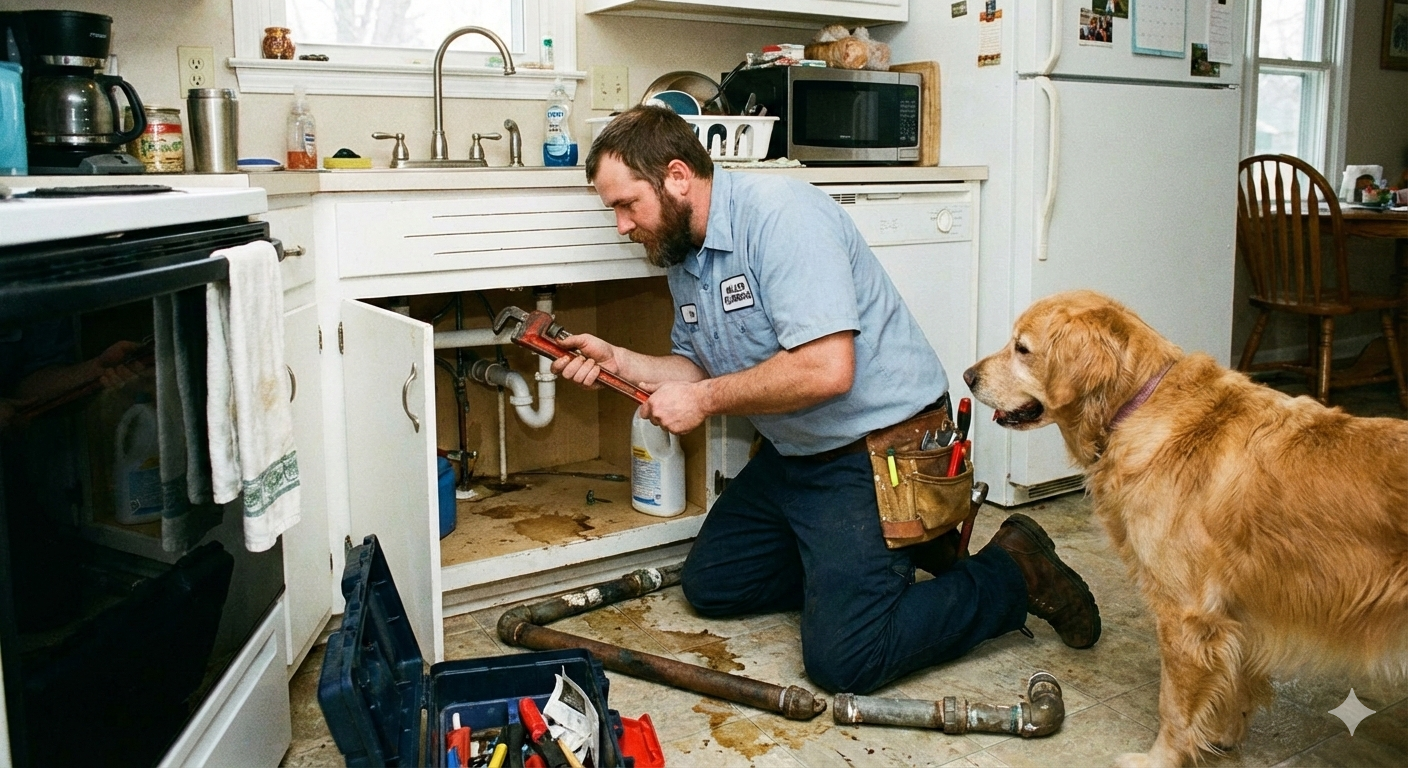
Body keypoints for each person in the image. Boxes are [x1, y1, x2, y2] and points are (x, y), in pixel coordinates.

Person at [554, 106, 1101, 694]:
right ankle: (865, 564)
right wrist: (620, 360)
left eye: (626, 204)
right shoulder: (685, 252)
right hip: (797, 450)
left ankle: (1013, 569)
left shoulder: (782, 218)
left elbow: (826, 370)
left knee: (847, 660)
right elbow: (695, 368)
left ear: (678, 176)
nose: (621, 225)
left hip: (878, 446)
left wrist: (706, 401)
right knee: (713, 584)